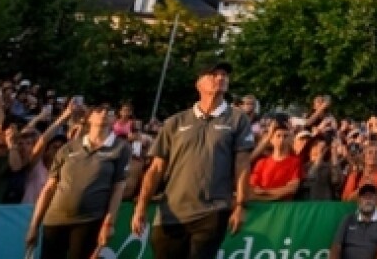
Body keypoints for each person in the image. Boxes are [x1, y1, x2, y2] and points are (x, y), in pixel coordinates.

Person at [131, 61, 254, 259]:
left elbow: (242, 165)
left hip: (213, 210)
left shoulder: (238, 119)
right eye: (214, 74)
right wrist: (141, 207)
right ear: (198, 83)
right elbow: (155, 169)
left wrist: (240, 205)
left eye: (224, 75)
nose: (221, 78)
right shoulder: (175, 121)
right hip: (171, 213)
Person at [25, 105, 131, 259]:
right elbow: (49, 187)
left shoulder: (121, 149)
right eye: (99, 110)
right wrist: (34, 226)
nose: (104, 113)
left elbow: (118, 188)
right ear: (89, 118)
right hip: (55, 219)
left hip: (89, 221)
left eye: (109, 112)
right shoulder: (68, 148)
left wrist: (109, 223)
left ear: (114, 120)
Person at [329, 184, 377, 259]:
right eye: (364, 197)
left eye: (371, 197)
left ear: (376, 200)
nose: (368, 200)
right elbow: (336, 246)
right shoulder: (348, 219)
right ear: (359, 200)